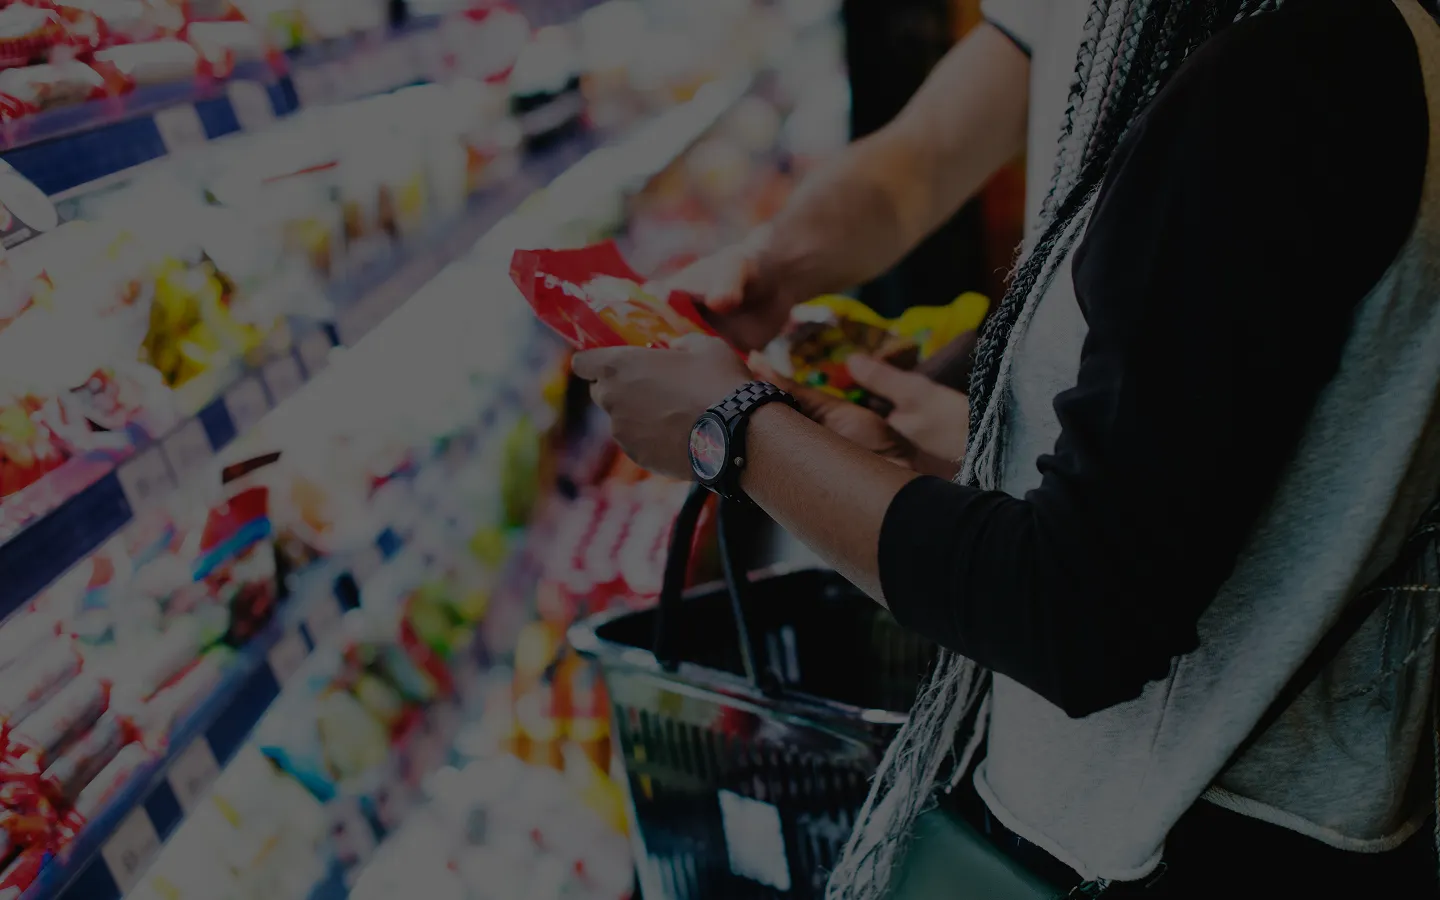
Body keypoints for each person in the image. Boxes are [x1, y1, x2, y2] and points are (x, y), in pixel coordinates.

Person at [572, 0, 1440, 896]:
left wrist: (736, 431)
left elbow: (1076, 615)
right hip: (1263, 811)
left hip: (1179, 835)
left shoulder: (1280, 85)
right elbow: (1195, 484)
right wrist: (901, 463)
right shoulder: (1322, 45)